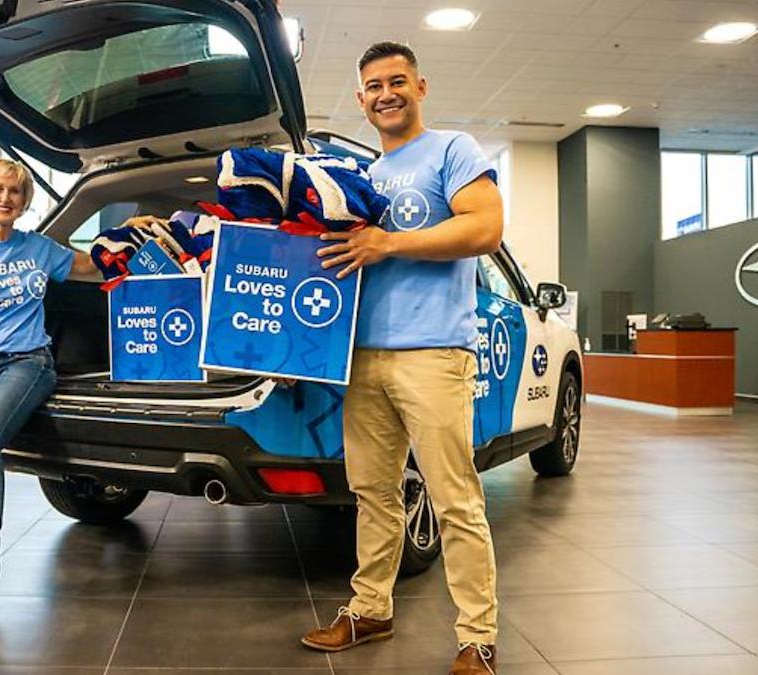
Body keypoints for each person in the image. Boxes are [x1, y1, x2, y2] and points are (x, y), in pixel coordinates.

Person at [301, 42, 504, 675]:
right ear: (360, 100)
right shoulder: (360, 177)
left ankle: (477, 637)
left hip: (433, 354)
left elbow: (485, 229)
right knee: (373, 493)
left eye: (397, 81)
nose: (385, 94)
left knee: (454, 499)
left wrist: (389, 243)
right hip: (362, 358)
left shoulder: (452, 150)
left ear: (420, 86)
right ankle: (370, 610)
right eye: (373, 86)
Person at [0, 158, 159, 616]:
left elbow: (92, 267)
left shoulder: (37, 248)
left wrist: (128, 233)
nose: (5, 198)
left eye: (15, 192)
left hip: (28, 363)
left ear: (25, 202)